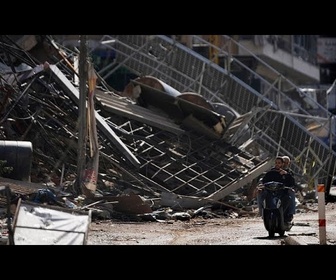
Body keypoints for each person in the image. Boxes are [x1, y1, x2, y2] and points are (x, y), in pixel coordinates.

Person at [257, 156, 296, 227]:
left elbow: (292, 182)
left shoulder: (288, 172)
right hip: (271, 191)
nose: (277, 164)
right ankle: (262, 212)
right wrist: (262, 186)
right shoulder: (271, 172)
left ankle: (290, 214)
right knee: (260, 194)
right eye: (276, 163)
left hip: (282, 191)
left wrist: (286, 175)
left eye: (279, 163)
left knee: (290, 196)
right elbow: (264, 180)